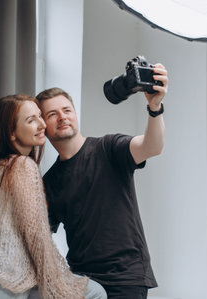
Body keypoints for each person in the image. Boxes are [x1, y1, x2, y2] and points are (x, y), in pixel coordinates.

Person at [0, 94, 107, 299]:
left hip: (4, 280)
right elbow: (37, 237)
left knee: (94, 292)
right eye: (31, 120)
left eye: (40, 116)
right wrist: (56, 281)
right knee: (94, 293)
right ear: (11, 133)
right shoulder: (22, 166)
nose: (42, 124)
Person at [36, 62, 168, 299]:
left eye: (67, 110)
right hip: (81, 284)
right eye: (52, 114)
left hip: (126, 279)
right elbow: (38, 235)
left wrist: (155, 107)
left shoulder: (108, 148)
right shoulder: (49, 182)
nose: (62, 117)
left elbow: (152, 146)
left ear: (75, 115)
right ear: (44, 126)